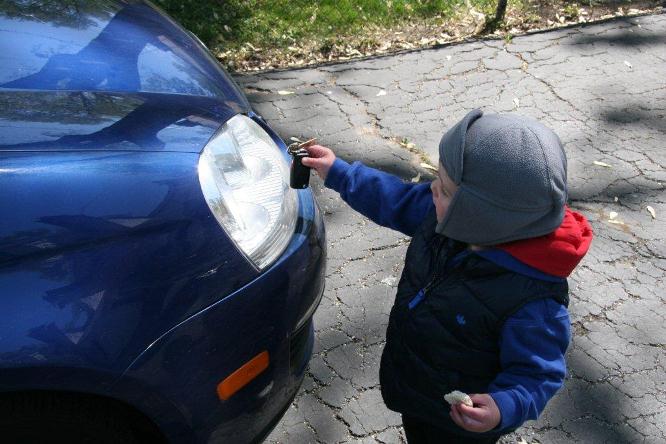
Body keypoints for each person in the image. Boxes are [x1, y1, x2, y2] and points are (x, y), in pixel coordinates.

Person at [301, 109, 593, 443]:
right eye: (437, 181)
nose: (432, 190)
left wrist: (502, 407)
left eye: (446, 189)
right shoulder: (445, 217)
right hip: (418, 387)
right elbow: (394, 197)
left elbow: (537, 375)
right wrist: (339, 172)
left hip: (464, 423)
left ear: (484, 216)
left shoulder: (533, 300)